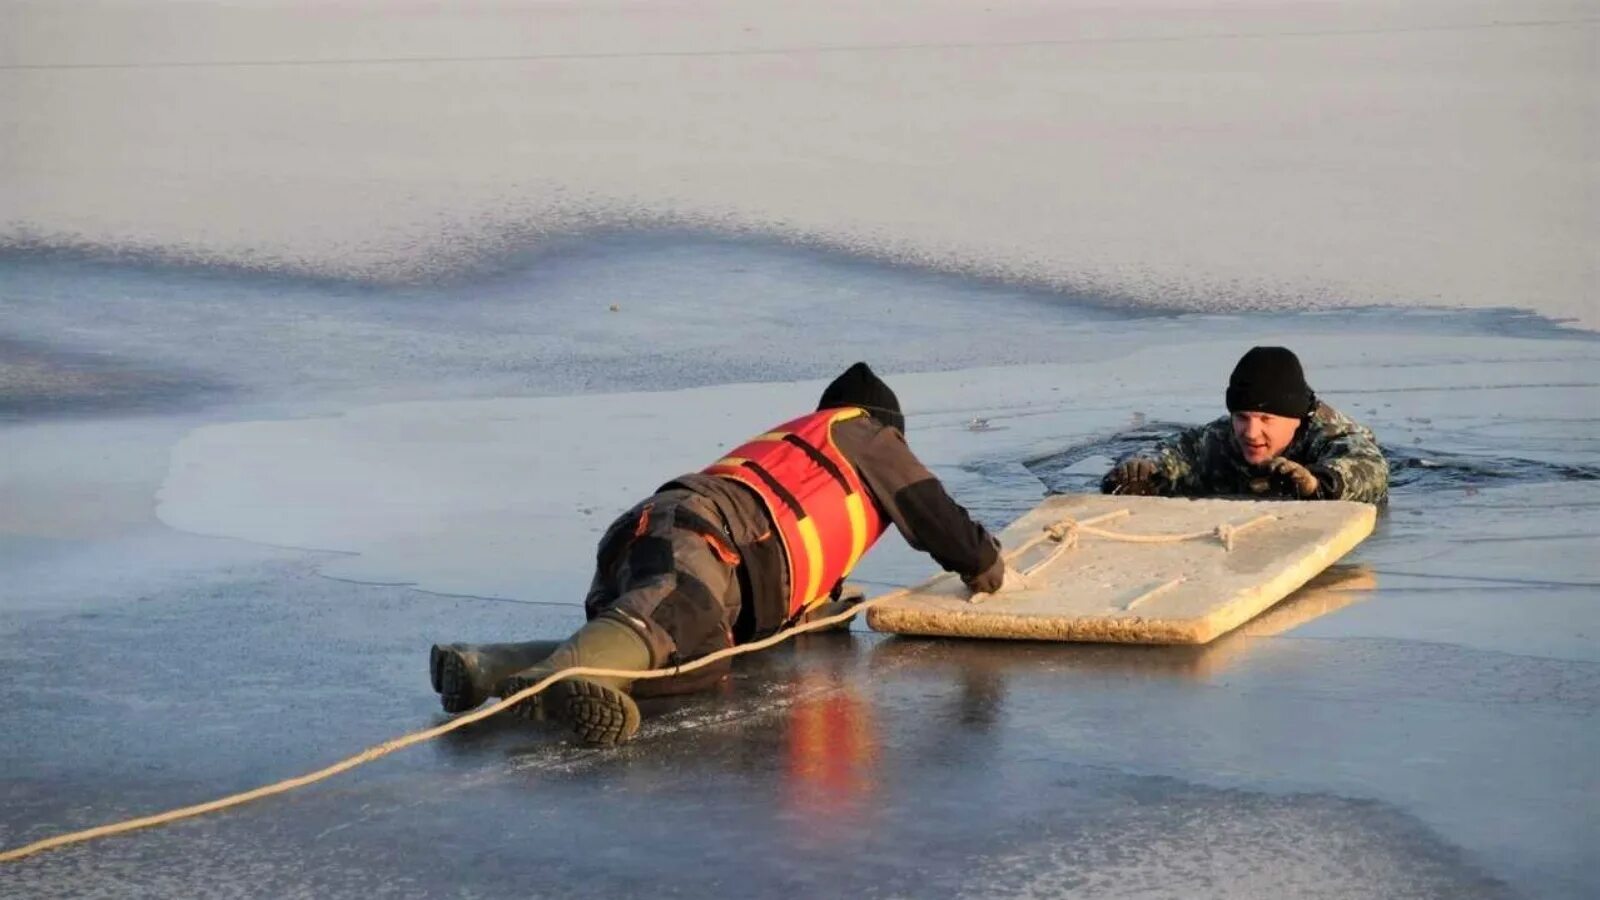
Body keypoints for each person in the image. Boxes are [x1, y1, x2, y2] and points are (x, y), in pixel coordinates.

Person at [430, 362, 1022, 745]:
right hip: (700, 540)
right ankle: (548, 684)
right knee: (666, 617)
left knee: (687, 655)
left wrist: (825, 612)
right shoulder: (861, 430)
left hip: (660, 537)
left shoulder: (802, 447)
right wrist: (987, 565)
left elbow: (792, 576)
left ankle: (488, 664)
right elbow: (935, 514)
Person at [1101, 346, 1389, 502]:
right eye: (1241, 417)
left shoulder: (1331, 434)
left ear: (1295, 417)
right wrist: (1143, 472)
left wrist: (1315, 484)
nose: (1250, 433)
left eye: (1266, 419)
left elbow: (1370, 468)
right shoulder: (1219, 438)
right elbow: (1176, 452)